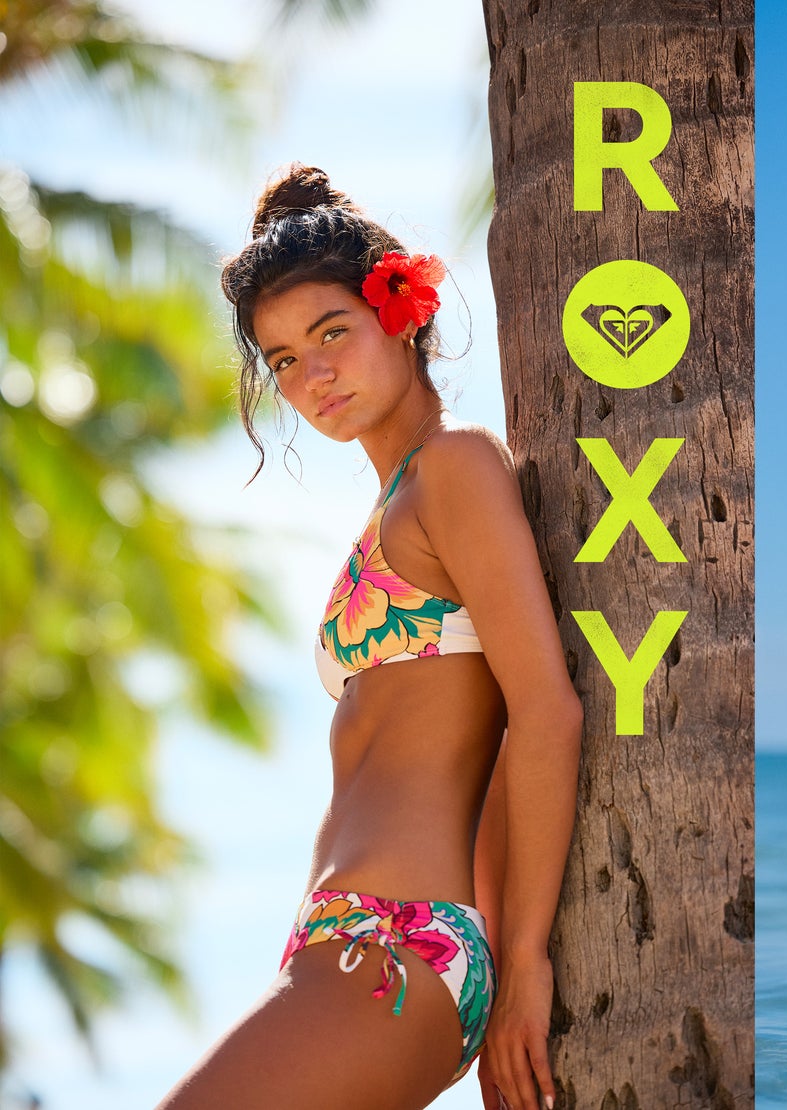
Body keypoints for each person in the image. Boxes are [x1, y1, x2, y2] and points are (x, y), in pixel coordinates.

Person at [157, 164, 583, 1110]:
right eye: (282, 361)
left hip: (402, 939)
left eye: (330, 335)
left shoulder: (457, 468)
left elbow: (544, 710)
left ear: (401, 310)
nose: (311, 379)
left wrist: (522, 964)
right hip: (351, 939)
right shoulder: (397, 503)